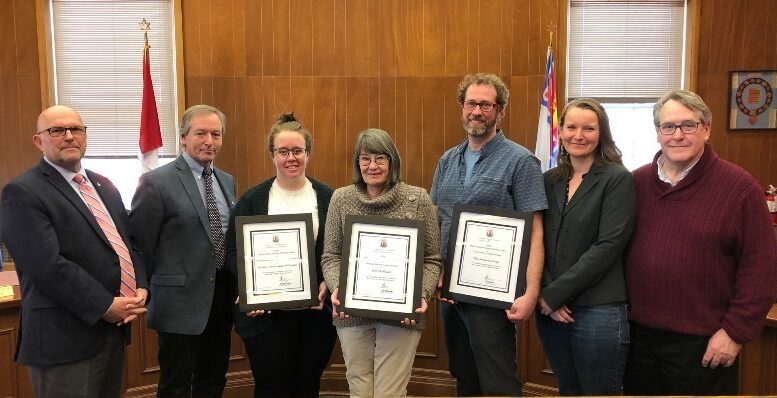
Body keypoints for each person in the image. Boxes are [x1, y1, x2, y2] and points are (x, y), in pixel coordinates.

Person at [623, 89, 777, 395]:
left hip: (705, 344)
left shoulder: (739, 187)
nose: (677, 135)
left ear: (706, 129)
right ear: (657, 133)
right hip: (637, 340)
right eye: (668, 126)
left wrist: (734, 333)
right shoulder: (634, 183)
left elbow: (762, 266)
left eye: (688, 125)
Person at [0, 105, 148, 397]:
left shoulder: (104, 186)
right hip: (63, 339)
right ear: (38, 140)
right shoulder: (23, 192)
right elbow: (46, 266)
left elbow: (129, 244)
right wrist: (105, 305)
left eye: (76, 129)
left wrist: (140, 284)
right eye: (57, 130)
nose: (69, 136)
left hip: (111, 332)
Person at [430, 73, 547, 396]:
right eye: (471, 103)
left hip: (493, 298)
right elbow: (436, 220)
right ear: (461, 107)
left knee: (498, 383)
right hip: (450, 294)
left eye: (485, 104)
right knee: (464, 377)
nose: (477, 111)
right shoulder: (447, 160)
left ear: (500, 110)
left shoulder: (521, 161)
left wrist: (531, 292)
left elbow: (536, 230)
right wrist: (435, 273)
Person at [321, 128, 442, 397]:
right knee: (359, 390)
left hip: (401, 317)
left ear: (392, 161)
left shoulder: (418, 198)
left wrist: (420, 294)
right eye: (365, 158)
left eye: (380, 158)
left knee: (390, 393)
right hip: (352, 314)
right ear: (357, 162)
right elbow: (331, 255)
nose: (372, 165)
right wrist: (339, 287)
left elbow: (432, 258)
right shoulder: (341, 198)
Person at [224, 113, 337, 397]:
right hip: (267, 317)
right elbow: (233, 250)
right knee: (271, 387)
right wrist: (252, 287)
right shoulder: (253, 199)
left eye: (297, 151)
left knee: (308, 385)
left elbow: (339, 249)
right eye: (283, 151)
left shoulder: (329, 198)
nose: (291, 158)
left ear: (308, 153)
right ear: (272, 154)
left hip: (315, 314)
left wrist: (326, 282)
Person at [130, 104, 237, 397]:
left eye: (216, 134)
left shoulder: (226, 181)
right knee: (176, 386)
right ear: (183, 137)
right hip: (178, 304)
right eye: (200, 133)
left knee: (213, 380)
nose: (209, 141)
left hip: (220, 299)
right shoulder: (156, 182)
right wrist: (141, 287)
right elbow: (139, 244)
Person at [535, 98, 635, 395]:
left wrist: (553, 294)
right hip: (551, 311)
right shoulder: (549, 179)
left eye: (588, 128)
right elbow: (537, 240)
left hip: (599, 309)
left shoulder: (618, 178)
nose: (579, 135)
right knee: (568, 390)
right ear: (560, 132)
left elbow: (609, 245)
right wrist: (545, 293)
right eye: (571, 127)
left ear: (601, 133)